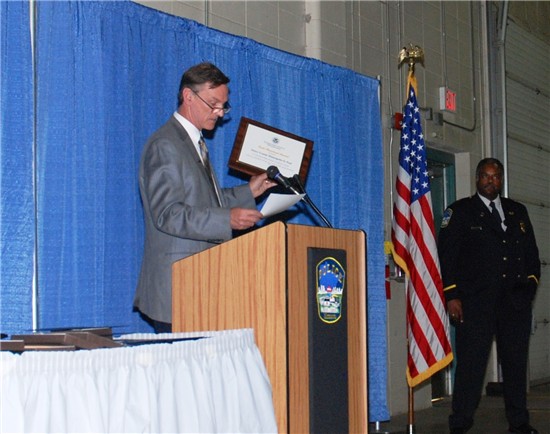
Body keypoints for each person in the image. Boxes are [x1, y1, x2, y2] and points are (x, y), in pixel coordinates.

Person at [134, 62, 276, 333]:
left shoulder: (193, 143)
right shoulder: (166, 144)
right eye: (213, 104)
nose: (220, 113)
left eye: (223, 106)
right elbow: (168, 214)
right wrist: (227, 220)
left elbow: (205, 203)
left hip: (199, 285)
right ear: (188, 96)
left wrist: (250, 191)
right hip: (178, 288)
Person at [438, 158, 541, 434]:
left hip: (514, 304)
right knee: (471, 368)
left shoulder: (517, 211)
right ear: (477, 178)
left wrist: (529, 287)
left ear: (501, 180)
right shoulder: (460, 211)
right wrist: (452, 296)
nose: (490, 181)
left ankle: (519, 423)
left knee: (515, 366)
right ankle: (460, 424)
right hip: (475, 304)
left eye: (495, 176)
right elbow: (447, 258)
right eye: (485, 176)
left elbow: (531, 254)